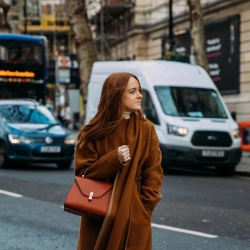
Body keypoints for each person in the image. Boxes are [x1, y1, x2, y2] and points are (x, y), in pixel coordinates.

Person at [74, 72, 163, 250]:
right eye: (132, 91)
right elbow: (83, 173)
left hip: (135, 212)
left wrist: (145, 207)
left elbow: (154, 172)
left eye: (139, 90)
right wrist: (114, 159)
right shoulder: (93, 131)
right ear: (116, 95)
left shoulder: (147, 129)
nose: (139, 95)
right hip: (99, 210)